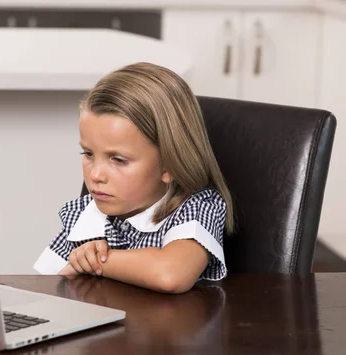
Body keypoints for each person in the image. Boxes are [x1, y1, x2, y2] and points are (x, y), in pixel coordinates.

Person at [33, 62, 235, 294]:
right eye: (88, 154)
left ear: (170, 164)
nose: (96, 175)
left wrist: (96, 261)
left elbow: (170, 274)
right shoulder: (85, 214)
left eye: (118, 160)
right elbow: (46, 290)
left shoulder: (196, 207)